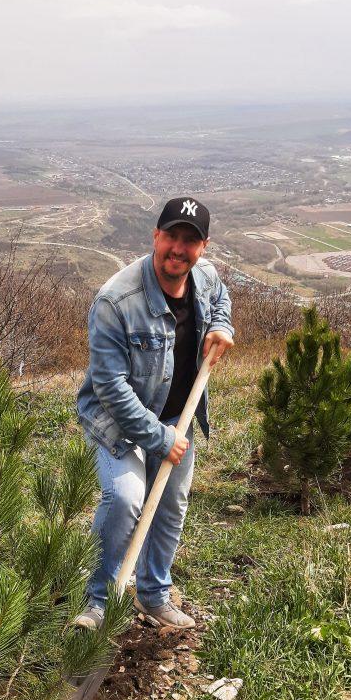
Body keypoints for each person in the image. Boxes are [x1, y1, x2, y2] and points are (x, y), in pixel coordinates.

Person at [75, 197, 234, 630]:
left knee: (169, 504)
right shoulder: (116, 300)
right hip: (116, 420)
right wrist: (160, 439)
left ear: (203, 247)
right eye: (172, 237)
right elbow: (110, 387)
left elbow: (221, 297)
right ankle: (98, 603)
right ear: (156, 236)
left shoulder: (204, 276)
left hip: (175, 418)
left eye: (190, 240)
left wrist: (222, 326)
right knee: (126, 498)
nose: (178, 249)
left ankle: (153, 594)